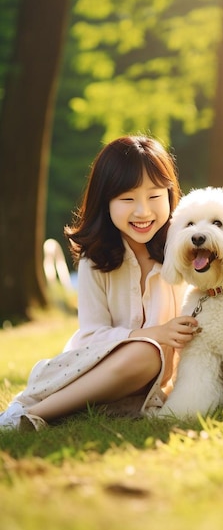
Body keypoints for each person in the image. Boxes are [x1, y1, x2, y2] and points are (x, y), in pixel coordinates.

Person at [0, 135, 198, 431]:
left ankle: (43, 414)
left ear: (170, 196)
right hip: (96, 367)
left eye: (155, 196)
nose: (143, 211)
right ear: (105, 202)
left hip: (153, 380)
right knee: (147, 350)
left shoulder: (183, 248)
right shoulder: (96, 260)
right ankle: (32, 416)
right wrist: (154, 333)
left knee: (149, 355)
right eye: (128, 199)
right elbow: (92, 334)